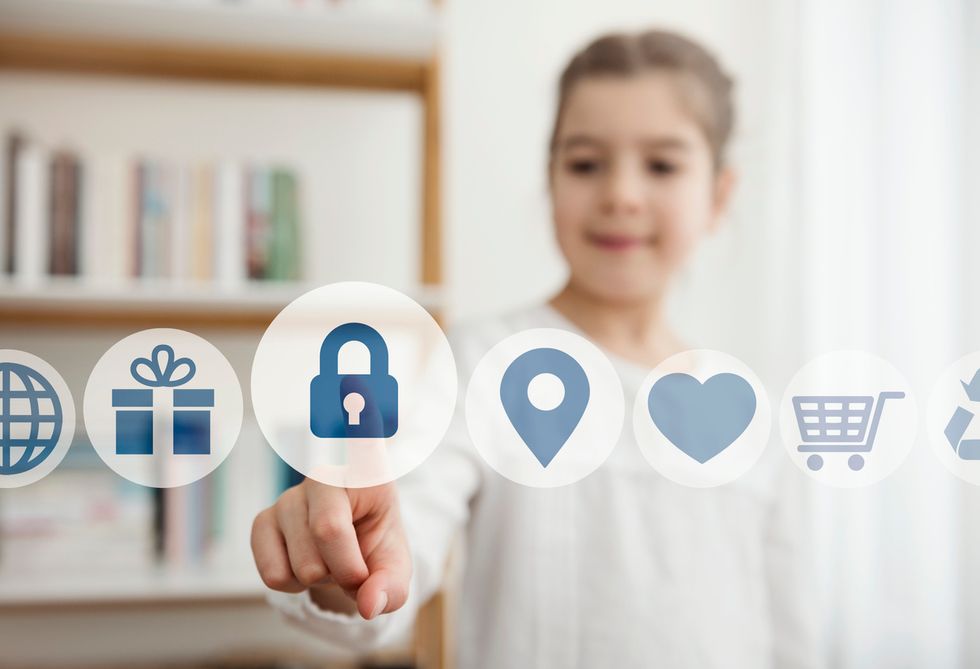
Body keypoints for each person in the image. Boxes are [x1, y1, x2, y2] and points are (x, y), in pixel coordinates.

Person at [251, 29, 819, 668]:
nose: (621, 195)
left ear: (718, 195)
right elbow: (401, 543)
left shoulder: (758, 416)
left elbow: (789, 631)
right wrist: (347, 559)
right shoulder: (479, 362)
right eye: (585, 163)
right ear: (549, 180)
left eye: (662, 165)